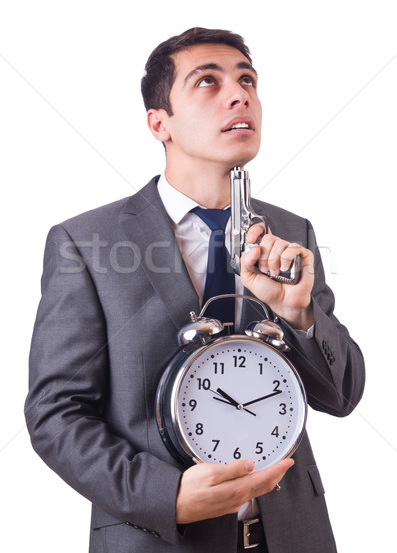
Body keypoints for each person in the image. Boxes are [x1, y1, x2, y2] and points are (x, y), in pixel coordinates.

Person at [25, 27, 365, 553]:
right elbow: (57, 412)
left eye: (247, 80)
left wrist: (299, 318)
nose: (239, 94)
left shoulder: (290, 233)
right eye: (208, 81)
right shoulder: (87, 242)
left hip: (294, 537)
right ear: (159, 123)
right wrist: (168, 496)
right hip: (158, 540)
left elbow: (340, 397)